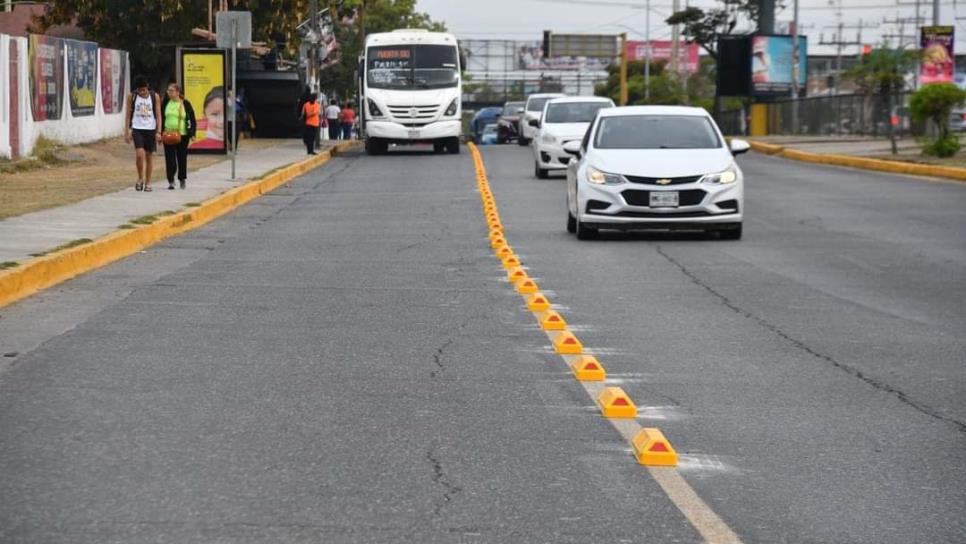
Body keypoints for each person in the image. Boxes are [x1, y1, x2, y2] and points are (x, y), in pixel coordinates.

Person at [125, 76, 162, 192]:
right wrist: (127, 131)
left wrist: (159, 131)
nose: (142, 92)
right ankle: (140, 178)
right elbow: (128, 115)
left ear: (147, 88)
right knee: (139, 154)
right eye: (139, 90)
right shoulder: (132, 96)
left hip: (150, 129)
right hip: (137, 128)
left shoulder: (154, 96)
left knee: (149, 156)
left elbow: (158, 114)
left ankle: (148, 182)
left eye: (144, 90)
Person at [160, 83, 197, 190]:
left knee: (181, 157)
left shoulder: (185, 103)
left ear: (177, 92)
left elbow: (192, 119)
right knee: (170, 159)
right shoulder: (166, 103)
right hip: (168, 134)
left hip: (182, 135)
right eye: (168, 90)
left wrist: (192, 133)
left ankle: (182, 179)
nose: (169, 92)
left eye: (171, 90)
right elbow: (161, 117)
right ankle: (171, 180)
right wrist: (159, 132)